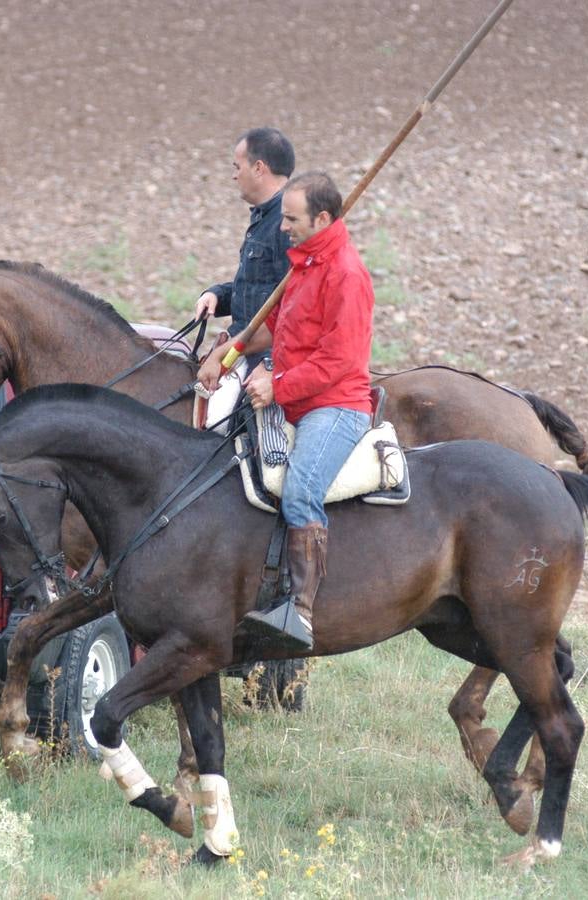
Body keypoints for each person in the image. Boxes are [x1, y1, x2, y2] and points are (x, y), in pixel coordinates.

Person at [222, 172, 375, 652]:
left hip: (335, 407)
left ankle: (301, 612)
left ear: (322, 218)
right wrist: (226, 352)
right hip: (293, 398)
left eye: (291, 218)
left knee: (301, 489)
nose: (282, 226)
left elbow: (339, 361)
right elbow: (276, 328)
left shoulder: (346, 274)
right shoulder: (304, 263)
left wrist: (278, 384)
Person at [194, 127, 295, 389]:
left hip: (263, 354)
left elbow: (293, 307)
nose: (234, 175)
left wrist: (271, 363)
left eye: (237, 167)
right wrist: (218, 295)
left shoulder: (287, 224)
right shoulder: (264, 218)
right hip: (243, 344)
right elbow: (260, 289)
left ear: (259, 168)